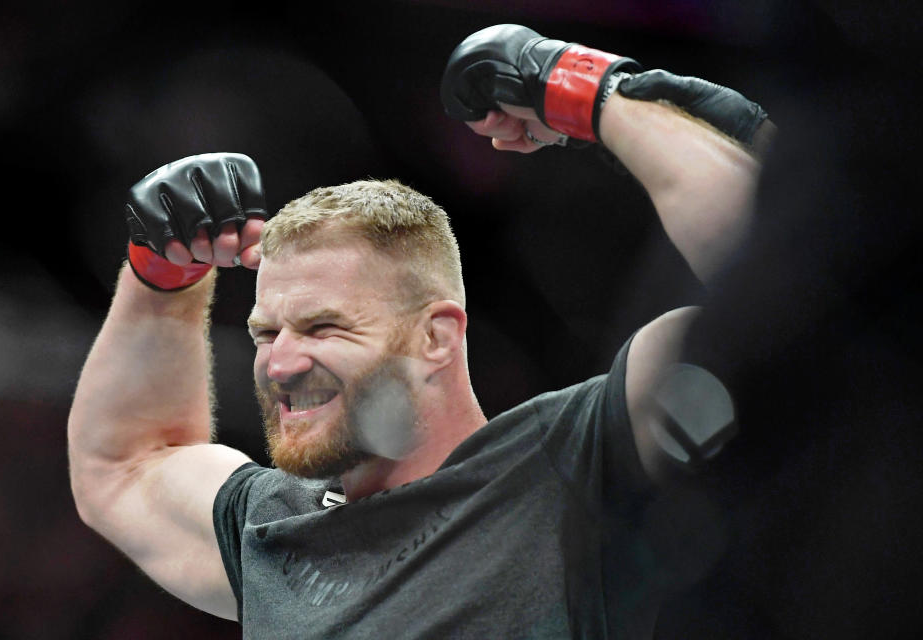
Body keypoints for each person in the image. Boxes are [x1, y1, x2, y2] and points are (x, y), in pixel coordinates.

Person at [68, 24, 771, 639]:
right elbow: (121, 467)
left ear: (436, 336)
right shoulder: (273, 531)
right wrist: (159, 280)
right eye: (265, 332)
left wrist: (598, 96)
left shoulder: (567, 471)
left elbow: (770, 291)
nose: (279, 363)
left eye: (322, 328)